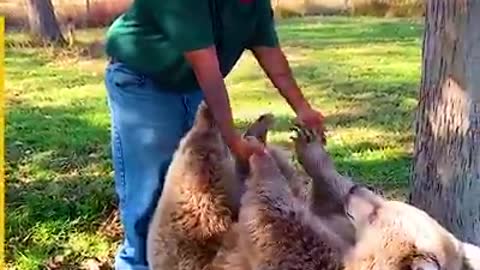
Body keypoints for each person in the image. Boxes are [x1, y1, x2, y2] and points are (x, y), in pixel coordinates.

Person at [103, 0, 324, 269]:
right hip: (143, 79)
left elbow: (272, 56)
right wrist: (232, 140)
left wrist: (303, 108)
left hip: (192, 83)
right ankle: (135, 263)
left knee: (203, 183)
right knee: (150, 188)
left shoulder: (254, 5)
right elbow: (207, 68)